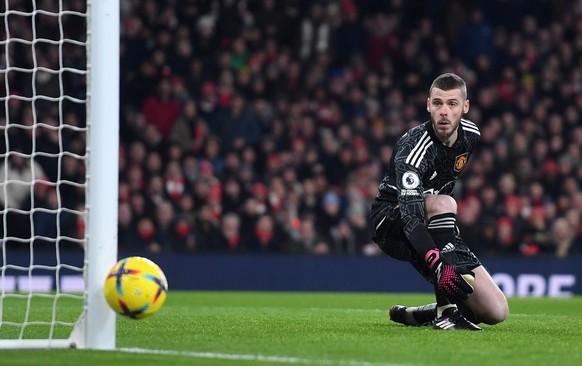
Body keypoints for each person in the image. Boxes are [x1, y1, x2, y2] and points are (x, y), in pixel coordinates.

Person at [369, 73, 509, 331]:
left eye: (452, 104)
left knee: (496, 310)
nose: (444, 111)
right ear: (428, 105)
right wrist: (438, 262)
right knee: (445, 203)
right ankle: (447, 312)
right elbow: (412, 217)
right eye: (438, 103)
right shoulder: (412, 150)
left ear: (465, 107)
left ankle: (422, 314)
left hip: (434, 223)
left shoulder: (471, 136)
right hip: (391, 221)